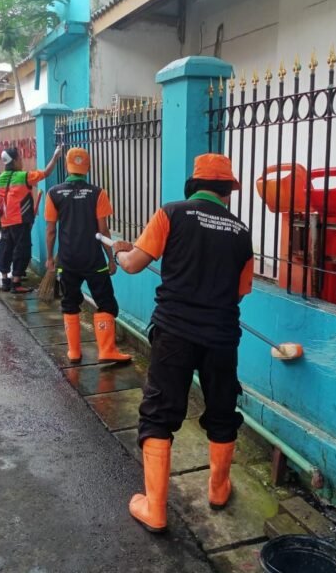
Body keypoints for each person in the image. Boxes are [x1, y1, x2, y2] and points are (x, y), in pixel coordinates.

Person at [110, 153, 254, 533]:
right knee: (222, 412)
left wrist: (120, 250)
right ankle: (219, 489)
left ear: (194, 185)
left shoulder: (171, 213)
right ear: (228, 191)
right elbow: (239, 294)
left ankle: (155, 509)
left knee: (160, 414)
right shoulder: (241, 232)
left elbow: (133, 265)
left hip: (175, 333)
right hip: (222, 338)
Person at [45, 147, 131, 365]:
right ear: (88, 168)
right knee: (106, 304)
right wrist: (111, 258)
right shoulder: (98, 193)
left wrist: (50, 258)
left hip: (67, 260)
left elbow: (51, 230)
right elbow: (103, 230)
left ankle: (74, 352)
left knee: (70, 302)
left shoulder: (54, 193)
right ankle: (106, 350)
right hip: (93, 260)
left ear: (67, 166)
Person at [0, 145, 62, 294]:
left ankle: (5, 280)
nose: (22, 161)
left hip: (4, 221)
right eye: (20, 158)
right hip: (20, 221)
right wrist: (55, 157)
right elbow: (46, 173)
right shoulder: (24, 176)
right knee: (22, 251)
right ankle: (16, 283)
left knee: (5, 249)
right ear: (16, 160)